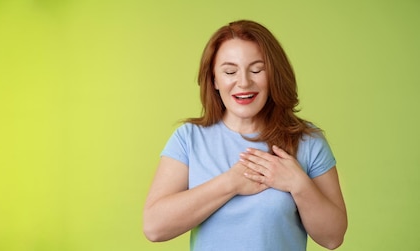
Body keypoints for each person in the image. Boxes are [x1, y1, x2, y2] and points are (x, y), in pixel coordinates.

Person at [143, 20, 347, 251]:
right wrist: (231, 183)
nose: (243, 82)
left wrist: (298, 184)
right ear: (214, 80)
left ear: (274, 76)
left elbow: (333, 237)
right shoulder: (188, 138)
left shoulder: (308, 141)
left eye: (257, 70)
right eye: (230, 71)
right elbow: (154, 227)